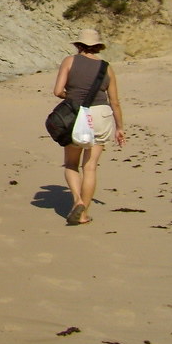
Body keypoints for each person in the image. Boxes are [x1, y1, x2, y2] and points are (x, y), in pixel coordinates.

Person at [52, 29, 126, 225]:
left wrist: (72, 97)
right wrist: (119, 128)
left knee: (70, 164)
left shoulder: (70, 61)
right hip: (101, 115)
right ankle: (84, 212)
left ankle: (77, 201)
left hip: (77, 115)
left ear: (78, 45)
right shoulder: (106, 67)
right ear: (98, 47)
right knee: (90, 167)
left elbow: (58, 91)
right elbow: (115, 102)